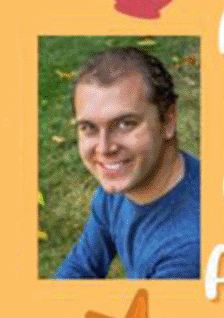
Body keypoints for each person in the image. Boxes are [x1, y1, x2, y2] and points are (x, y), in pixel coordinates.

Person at [53, 47, 200, 279]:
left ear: (168, 121)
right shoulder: (118, 190)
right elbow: (80, 268)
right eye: (89, 127)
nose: (104, 148)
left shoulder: (189, 249)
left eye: (125, 124)